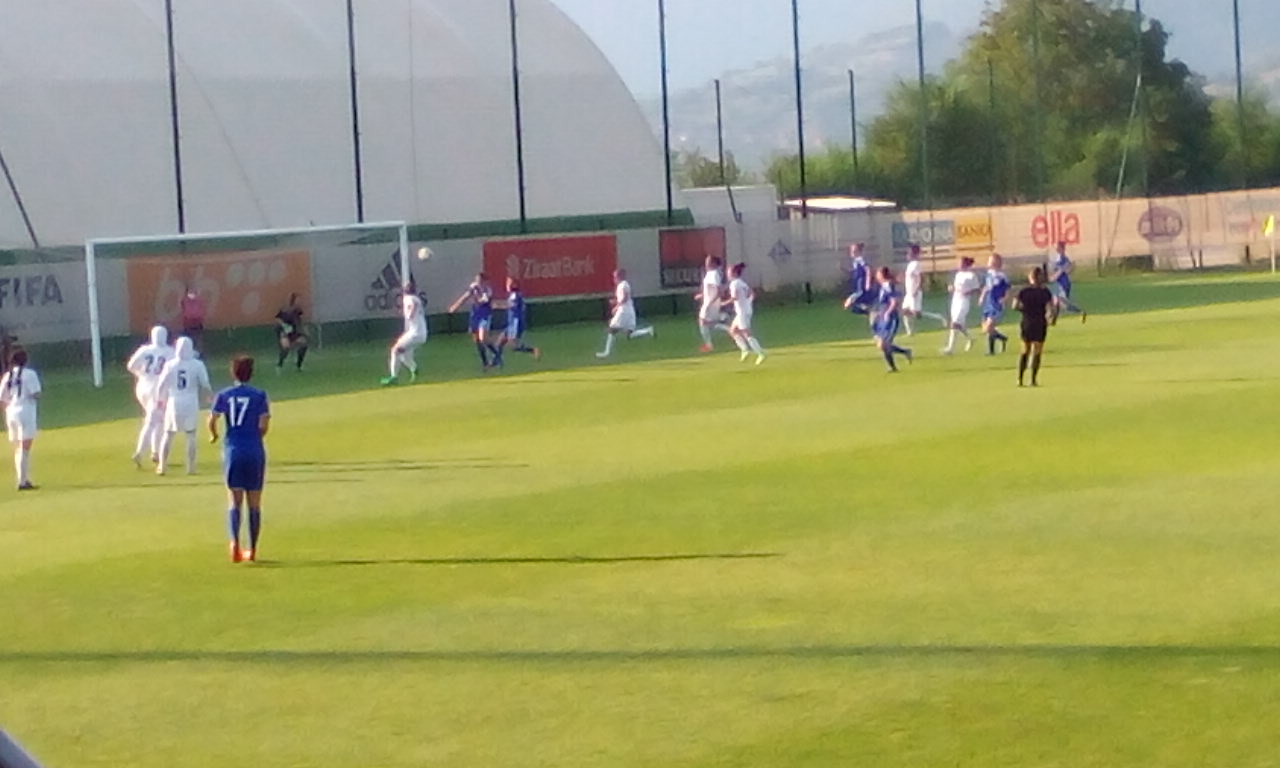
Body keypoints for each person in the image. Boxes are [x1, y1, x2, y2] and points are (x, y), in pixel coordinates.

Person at [209, 355, 270, 563]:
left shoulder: (224, 395)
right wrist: (254, 437)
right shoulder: (260, 395)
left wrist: (214, 435)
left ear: (232, 373)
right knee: (254, 503)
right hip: (254, 451)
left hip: (233, 450)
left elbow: (212, 419)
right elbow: (263, 425)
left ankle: (234, 544)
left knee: (234, 502)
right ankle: (252, 549)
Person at [156, 336, 212, 476]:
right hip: (190, 400)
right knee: (191, 434)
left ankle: (162, 466)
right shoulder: (197, 364)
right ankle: (191, 467)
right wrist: (209, 396)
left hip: (174, 401)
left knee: (168, 434)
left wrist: (159, 399)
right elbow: (205, 383)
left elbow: (161, 384)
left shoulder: (170, 365)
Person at [126, 325, 174, 467]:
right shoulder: (170, 352)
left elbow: (131, 366)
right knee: (153, 421)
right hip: (158, 389)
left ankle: (155, 451)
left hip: (142, 386)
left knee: (158, 419)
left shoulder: (144, 350)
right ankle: (140, 452)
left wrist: (141, 375)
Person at [0, 347, 40, 490]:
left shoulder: (7, 376)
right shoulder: (30, 374)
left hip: (11, 412)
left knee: (18, 447)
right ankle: (22, 481)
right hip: (25, 411)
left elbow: (2, 398)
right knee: (25, 448)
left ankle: (22, 478)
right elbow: (36, 393)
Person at [596, 269, 655, 358]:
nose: (614, 279)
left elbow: (625, 298)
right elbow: (624, 298)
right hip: (629, 311)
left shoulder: (623, 285)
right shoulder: (623, 285)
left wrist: (616, 307)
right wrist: (615, 302)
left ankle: (606, 352)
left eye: (615, 277)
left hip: (624, 311)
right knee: (629, 334)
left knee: (612, 329)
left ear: (619, 277)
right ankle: (648, 331)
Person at [1013, 267, 1055, 387]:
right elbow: (1050, 308)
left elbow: (1014, 306)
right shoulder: (1045, 292)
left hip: (1027, 322)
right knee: (1037, 351)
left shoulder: (1023, 291)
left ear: (1030, 277)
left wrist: (1025, 310)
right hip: (1040, 322)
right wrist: (1050, 317)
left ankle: (1020, 379)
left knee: (1025, 351)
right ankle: (1033, 379)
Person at [448, 273, 500, 370]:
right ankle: (485, 363)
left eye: (480, 281)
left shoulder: (487, 290)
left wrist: (478, 295)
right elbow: (465, 297)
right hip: (475, 315)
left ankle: (497, 355)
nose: (478, 282)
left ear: (484, 282)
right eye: (477, 280)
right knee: (477, 340)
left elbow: (483, 300)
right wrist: (455, 306)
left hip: (485, 315)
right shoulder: (473, 288)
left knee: (482, 337)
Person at [866, 267, 913, 373]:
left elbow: (894, 301)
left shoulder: (888, 286)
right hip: (883, 318)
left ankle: (895, 364)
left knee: (884, 344)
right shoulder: (883, 286)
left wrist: (888, 312)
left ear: (882, 275)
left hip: (890, 319)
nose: (876, 276)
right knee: (881, 345)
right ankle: (903, 355)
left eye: (878, 274)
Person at [381, 281, 427, 386]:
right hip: (420, 333)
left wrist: (410, 313)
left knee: (395, 350)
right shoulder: (416, 298)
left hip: (416, 333)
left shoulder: (409, 298)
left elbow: (413, 304)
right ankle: (414, 369)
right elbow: (415, 304)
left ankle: (394, 377)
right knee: (403, 354)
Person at [491, 277, 541, 367]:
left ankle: (532, 350)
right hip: (511, 324)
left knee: (513, 346)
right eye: (507, 283)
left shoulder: (515, 295)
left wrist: (498, 305)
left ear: (514, 285)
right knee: (499, 342)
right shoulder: (512, 295)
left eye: (509, 283)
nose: (507, 285)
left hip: (515, 323)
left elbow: (511, 305)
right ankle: (496, 362)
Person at [722, 263, 766, 364]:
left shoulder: (734, 284)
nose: (727, 274)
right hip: (744, 311)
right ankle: (745, 350)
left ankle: (760, 353)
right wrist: (748, 303)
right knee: (733, 330)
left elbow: (734, 297)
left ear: (733, 273)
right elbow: (752, 294)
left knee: (747, 333)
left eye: (728, 272)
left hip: (742, 312)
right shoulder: (742, 282)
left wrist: (723, 303)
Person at [899, 244, 947, 335]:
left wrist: (916, 290)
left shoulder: (916, 264)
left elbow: (921, 277)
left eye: (909, 253)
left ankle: (939, 317)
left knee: (917, 314)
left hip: (914, 292)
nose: (907, 255)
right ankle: (910, 332)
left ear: (914, 254)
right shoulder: (910, 265)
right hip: (909, 292)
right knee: (905, 311)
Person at [941, 257, 981, 355]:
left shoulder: (971, 275)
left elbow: (977, 289)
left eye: (961, 263)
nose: (958, 265)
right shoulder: (958, 274)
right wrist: (951, 288)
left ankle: (950, 348)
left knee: (955, 323)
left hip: (964, 301)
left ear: (965, 264)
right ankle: (970, 338)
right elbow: (955, 287)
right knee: (957, 324)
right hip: (955, 300)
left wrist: (968, 292)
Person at [978, 253, 1012, 355]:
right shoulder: (988, 274)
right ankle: (1002, 339)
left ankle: (991, 351)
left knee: (989, 327)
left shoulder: (1002, 276)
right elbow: (987, 287)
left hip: (996, 304)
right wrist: (982, 297)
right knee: (986, 328)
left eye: (990, 261)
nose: (988, 263)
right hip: (988, 302)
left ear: (996, 263)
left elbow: (1008, 289)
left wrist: (1005, 298)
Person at [695, 256, 728, 352]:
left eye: (708, 261)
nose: (706, 263)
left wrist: (711, 302)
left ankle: (709, 345)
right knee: (708, 323)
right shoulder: (710, 274)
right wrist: (702, 295)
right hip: (708, 302)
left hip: (711, 303)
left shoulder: (714, 274)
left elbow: (719, 291)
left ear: (713, 263)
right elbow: (710, 289)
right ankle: (729, 329)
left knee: (703, 322)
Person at [1048, 241, 1087, 324]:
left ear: (1062, 248)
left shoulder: (1064, 259)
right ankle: (1052, 320)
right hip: (1058, 284)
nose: (1056, 248)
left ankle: (1081, 312)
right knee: (1055, 301)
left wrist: (1054, 277)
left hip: (1063, 284)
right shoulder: (1058, 259)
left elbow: (1065, 271)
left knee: (1063, 304)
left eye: (1058, 247)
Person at [274, 292, 309, 372]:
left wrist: (304, 330)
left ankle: (299, 365)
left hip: (294, 332)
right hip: (284, 332)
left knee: (304, 344)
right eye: (298, 300)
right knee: (286, 348)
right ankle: (279, 365)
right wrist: (284, 325)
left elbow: (300, 320)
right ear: (293, 300)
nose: (300, 302)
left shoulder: (298, 310)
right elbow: (277, 319)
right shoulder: (285, 309)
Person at [845, 243, 876, 315]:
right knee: (860, 296)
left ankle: (850, 299)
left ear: (859, 252)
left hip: (862, 280)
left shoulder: (860, 259)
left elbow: (868, 269)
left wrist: (868, 282)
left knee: (860, 293)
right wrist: (844, 270)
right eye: (851, 251)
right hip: (857, 280)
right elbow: (855, 271)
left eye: (854, 251)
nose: (852, 253)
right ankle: (865, 309)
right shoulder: (855, 260)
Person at [180, 287, 206, 357]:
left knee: (198, 338)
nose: (192, 294)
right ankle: (188, 351)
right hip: (188, 324)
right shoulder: (185, 301)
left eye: (193, 292)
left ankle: (199, 353)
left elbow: (200, 312)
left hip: (197, 323)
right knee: (189, 338)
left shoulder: (199, 301)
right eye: (190, 292)